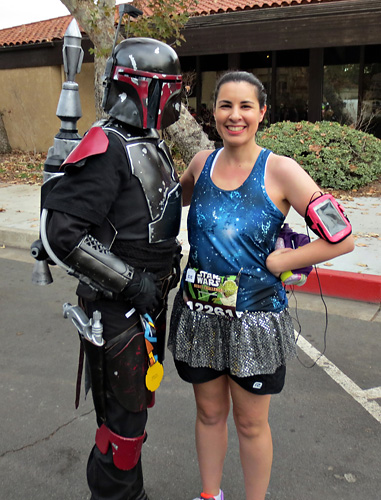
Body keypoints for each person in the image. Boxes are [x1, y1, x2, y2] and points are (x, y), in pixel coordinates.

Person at [168, 71, 354, 500]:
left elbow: (341, 235)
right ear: (212, 111)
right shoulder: (201, 164)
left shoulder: (281, 170)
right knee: (209, 413)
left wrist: (282, 260)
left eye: (245, 106)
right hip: (199, 316)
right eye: (225, 105)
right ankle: (209, 495)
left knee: (251, 424)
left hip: (254, 325)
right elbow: (164, 206)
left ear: (262, 112)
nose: (235, 116)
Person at [41, 38, 183, 500]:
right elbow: (62, 233)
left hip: (146, 304)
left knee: (133, 414)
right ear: (149, 90)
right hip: (118, 309)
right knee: (122, 422)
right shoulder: (107, 146)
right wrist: (132, 282)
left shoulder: (149, 144)